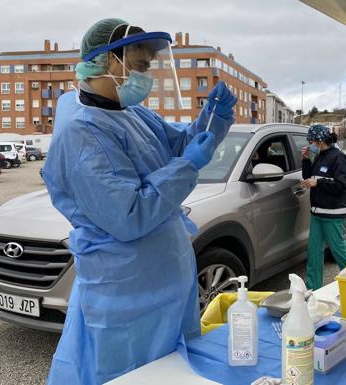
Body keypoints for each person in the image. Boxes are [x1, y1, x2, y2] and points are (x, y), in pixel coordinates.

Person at [41, 19, 237, 385]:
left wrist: (214, 120)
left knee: (172, 371)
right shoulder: (82, 132)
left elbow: (178, 146)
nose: (147, 75)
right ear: (110, 61)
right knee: (129, 377)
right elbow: (128, 214)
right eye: (142, 65)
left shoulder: (129, 111)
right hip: (125, 294)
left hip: (161, 281)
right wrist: (188, 165)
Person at [301, 124, 346, 290]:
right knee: (314, 255)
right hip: (317, 214)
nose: (310, 145)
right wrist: (305, 159)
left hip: (333, 215)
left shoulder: (339, 158)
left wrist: (319, 182)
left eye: (312, 142)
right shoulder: (319, 156)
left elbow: (341, 185)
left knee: (340, 254)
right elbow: (308, 177)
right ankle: (313, 289)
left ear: (320, 140)